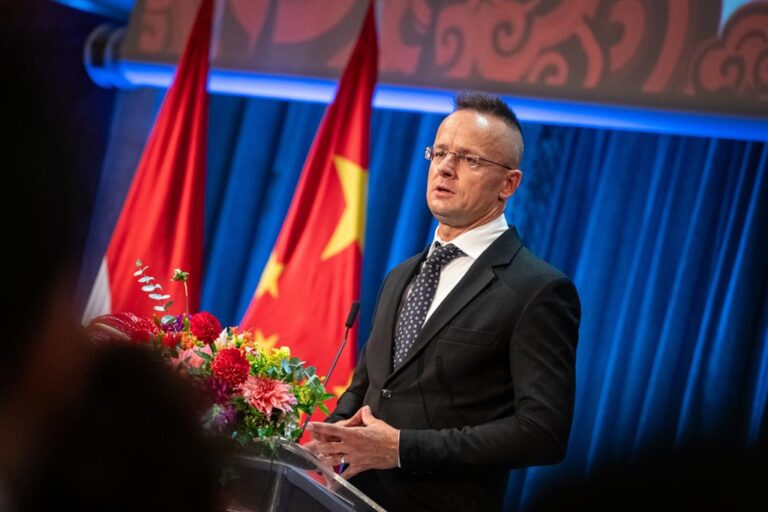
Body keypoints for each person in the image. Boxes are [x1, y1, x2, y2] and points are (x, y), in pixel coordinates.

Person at [305, 93, 581, 511]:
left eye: (469, 159)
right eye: (439, 153)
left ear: (508, 184)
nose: (446, 168)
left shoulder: (537, 290)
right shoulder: (401, 275)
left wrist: (402, 448)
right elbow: (368, 390)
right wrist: (328, 437)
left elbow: (542, 433)